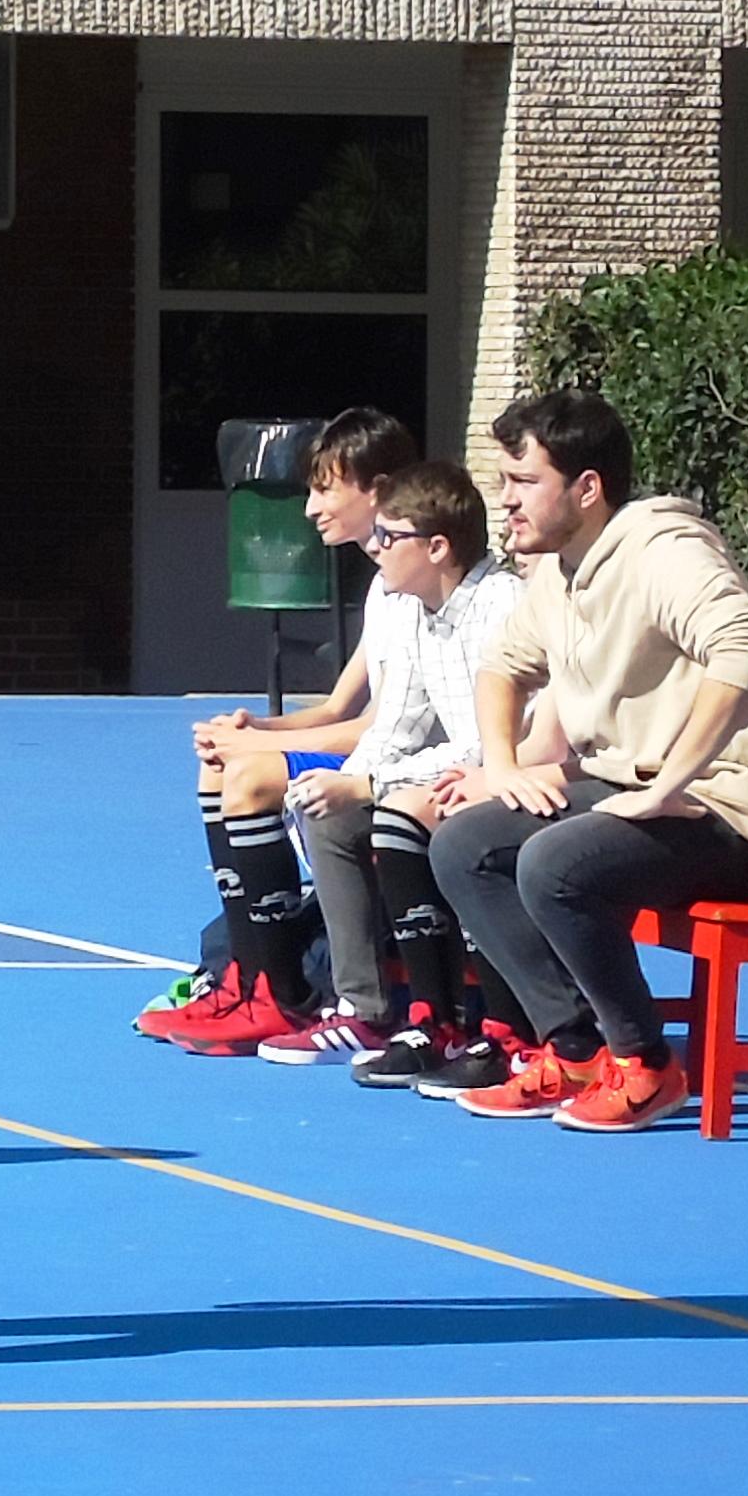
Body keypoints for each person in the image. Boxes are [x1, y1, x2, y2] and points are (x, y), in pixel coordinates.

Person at [430, 388, 748, 1131]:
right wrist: (505, 766)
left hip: (727, 809)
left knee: (555, 863)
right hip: (635, 792)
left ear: (586, 488)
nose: (505, 502)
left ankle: (647, 1065)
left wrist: (670, 782)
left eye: (523, 483)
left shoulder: (662, 551)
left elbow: (745, 645)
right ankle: (575, 1050)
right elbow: (502, 667)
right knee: (468, 844)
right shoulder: (562, 570)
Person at [149, 408, 417, 1056]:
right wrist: (251, 725)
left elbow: (381, 729)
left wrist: (259, 748)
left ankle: (276, 992)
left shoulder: (416, 583)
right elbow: (333, 709)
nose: (310, 509)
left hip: (409, 767)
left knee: (252, 774)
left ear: (376, 490)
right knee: (221, 761)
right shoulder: (386, 585)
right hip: (378, 751)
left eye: (326, 489)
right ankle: (245, 972)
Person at [270, 460, 529, 1089]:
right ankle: (371, 1009)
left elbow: (489, 742)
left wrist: (369, 786)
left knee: (402, 814)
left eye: (391, 537)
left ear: (437, 547)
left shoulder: (501, 604)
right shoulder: (411, 603)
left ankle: (477, 1021)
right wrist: (344, 784)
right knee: (331, 816)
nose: (376, 549)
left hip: (514, 775)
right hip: (442, 773)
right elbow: (398, 722)